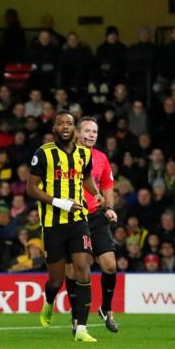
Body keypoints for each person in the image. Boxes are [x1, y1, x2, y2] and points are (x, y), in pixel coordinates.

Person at [27, 111, 104, 342]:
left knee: (83, 268)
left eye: (69, 123)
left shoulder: (84, 154)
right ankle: (49, 300)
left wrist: (96, 193)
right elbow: (31, 188)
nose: (65, 126)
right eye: (60, 123)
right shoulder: (44, 153)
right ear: (54, 129)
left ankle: (81, 329)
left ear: (75, 129)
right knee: (56, 280)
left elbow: (86, 177)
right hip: (53, 224)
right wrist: (60, 202)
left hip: (78, 220)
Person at [65, 117, 119, 334]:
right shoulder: (65, 156)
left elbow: (107, 184)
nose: (91, 135)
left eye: (94, 132)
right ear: (77, 133)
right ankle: (76, 315)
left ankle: (106, 308)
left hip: (95, 216)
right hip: (72, 217)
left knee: (110, 265)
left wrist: (109, 207)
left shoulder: (101, 158)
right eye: (87, 131)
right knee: (74, 271)